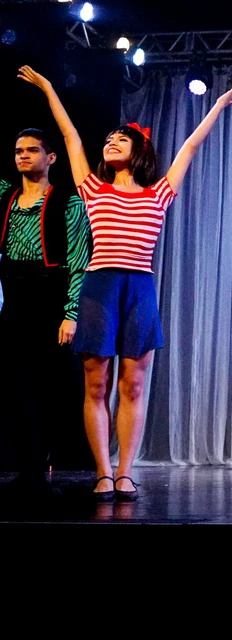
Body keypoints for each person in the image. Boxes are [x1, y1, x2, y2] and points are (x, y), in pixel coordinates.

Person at [19, 65, 232, 500]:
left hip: (139, 288)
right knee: (95, 383)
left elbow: (191, 145)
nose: (110, 142)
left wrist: (219, 104)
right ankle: (103, 472)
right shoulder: (92, 188)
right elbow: (70, 135)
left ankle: (125, 471)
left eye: (119, 139)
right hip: (100, 288)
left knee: (133, 384)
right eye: (108, 139)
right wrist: (50, 88)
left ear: (139, 151)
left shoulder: (158, 192)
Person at [0, 128, 90, 501]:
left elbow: (78, 262)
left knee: (48, 391)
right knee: (16, 389)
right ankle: (28, 470)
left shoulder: (67, 203)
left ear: (50, 158)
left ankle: (42, 471)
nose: (23, 156)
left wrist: (70, 314)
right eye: (19, 150)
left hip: (49, 297)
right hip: (15, 298)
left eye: (32, 150)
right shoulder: (6, 197)